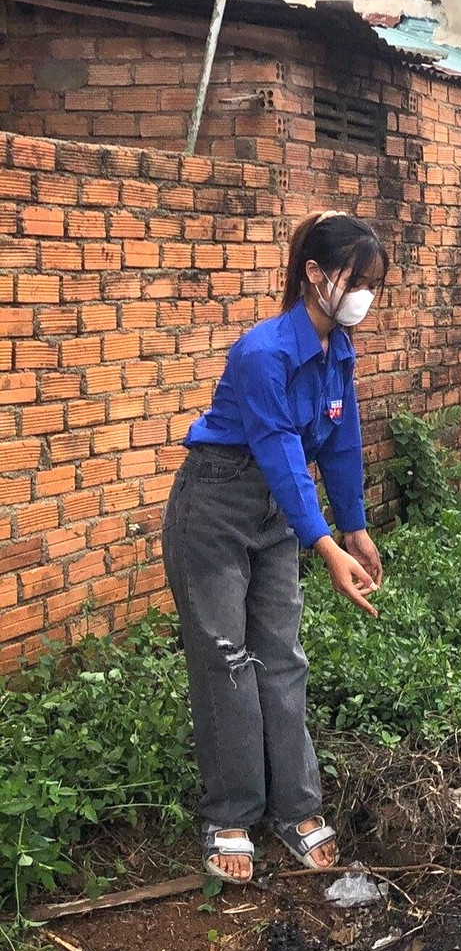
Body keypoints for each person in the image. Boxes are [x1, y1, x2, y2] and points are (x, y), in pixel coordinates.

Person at [162, 211, 388, 883]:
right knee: (226, 658)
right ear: (314, 274)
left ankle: (294, 806)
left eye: (375, 283)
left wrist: (354, 523)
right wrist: (322, 542)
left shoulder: (338, 350)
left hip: (273, 510)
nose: (364, 296)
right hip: (215, 505)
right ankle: (230, 811)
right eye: (356, 280)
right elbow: (281, 451)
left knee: (282, 654)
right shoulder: (264, 353)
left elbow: (340, 439)